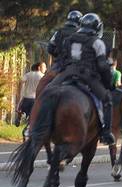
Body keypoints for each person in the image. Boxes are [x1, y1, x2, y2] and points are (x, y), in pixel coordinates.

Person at [49, 13, 114, 145]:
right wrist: (108, 83)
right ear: (97, 27)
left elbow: (59, 55)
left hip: (66, 73)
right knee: (107, 100)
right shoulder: (97, 43)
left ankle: (33, 125)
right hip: (87, 77)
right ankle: (106, 133)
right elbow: (102, 66)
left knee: (47, 91)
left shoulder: (69, 39)